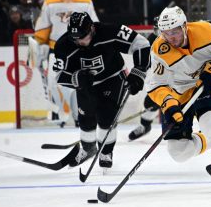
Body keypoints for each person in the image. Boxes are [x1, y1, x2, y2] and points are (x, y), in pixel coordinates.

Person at [146, 6, 211, 190]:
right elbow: (156, 84)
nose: (170, 38)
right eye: (165, 33)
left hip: (203, 87)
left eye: (174, 32)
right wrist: (170, 105)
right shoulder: (159, 49)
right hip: (177, 95)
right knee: (178, 152)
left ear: (184, 26)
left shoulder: (206, 31)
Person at [52, 12, 150, 168]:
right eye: (74, 38)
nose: (78, 42)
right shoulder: (64, 45)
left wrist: (139, 72)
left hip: (112, 78)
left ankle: (105, 151)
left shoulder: (110, 31)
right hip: (85, 84)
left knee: (107, 118)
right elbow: (58, 75)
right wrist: (75, 78)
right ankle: (88, 149)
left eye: (82, 37)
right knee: (85, 118)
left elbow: (141, 44)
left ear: (91, 29)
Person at [34, 0, 99, 127]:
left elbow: (94, 24)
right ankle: (61, 114)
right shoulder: (50, 2)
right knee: (54, 83)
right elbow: (43, 25)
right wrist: (41, 43)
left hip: (79, 48)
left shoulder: (85, 0)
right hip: (55, 49)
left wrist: (94, 43)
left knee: (79, 83)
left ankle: (78, 117)